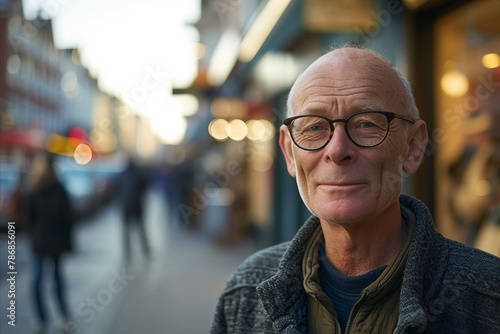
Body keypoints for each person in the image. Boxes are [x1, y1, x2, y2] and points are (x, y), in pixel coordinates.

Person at [210, 46, 500, 333]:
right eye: (313, 128)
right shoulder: (246, 293)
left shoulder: (488, 298)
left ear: (412, 147)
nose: (337, 150)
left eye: (366, 124)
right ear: (289, 152)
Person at [25, 152, 74, 332]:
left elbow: (28, 220)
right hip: (50, 242)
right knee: (49, 279)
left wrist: (35, 235)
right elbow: (68, 218)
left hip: (45, 242)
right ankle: (57, 318)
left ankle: (50, 318)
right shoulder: (53, 189)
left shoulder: (37, 189)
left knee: (49, 279)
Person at [115, 154, 151, 261]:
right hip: (134, 205)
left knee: (130, 230)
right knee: (138, 229)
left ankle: (130, 251)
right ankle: (143, 250)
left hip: (128, 206)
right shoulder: (137, 173)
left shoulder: (124, 174)